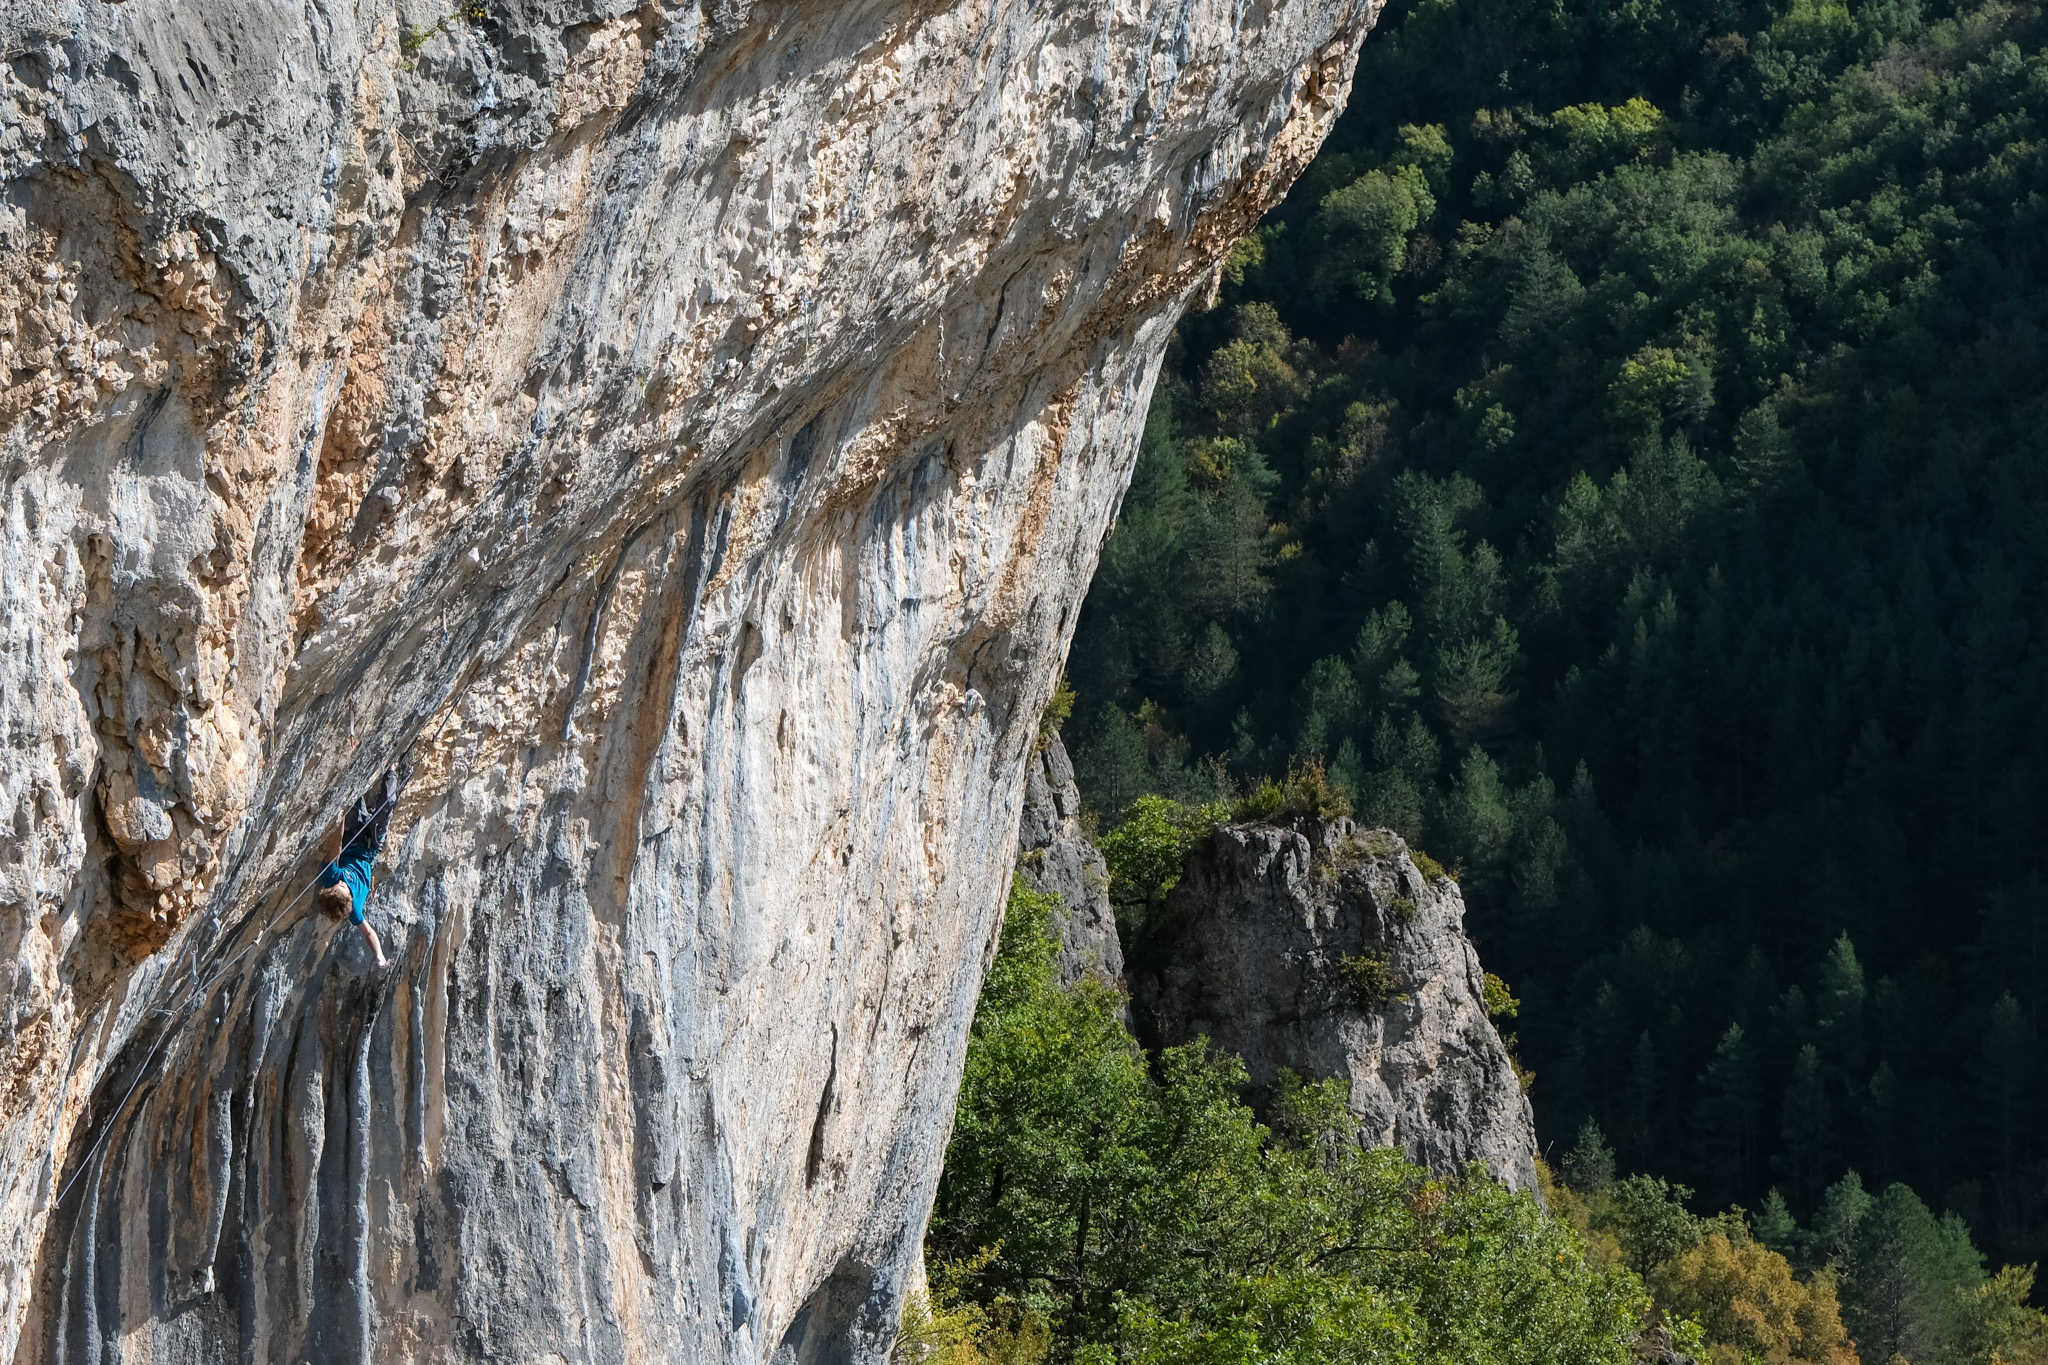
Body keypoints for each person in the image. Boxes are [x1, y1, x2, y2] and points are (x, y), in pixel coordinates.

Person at [317, 767, 405, 967]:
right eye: (342, 887)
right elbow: (369, 933)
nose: (340, 882)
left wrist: (341, 816)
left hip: (354, 834)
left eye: (336, 885)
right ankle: (392, 770)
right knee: (389, 803)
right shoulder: (354, 910)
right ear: (348, 897)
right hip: (372, 845)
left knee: (354, 791)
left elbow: (336, 845)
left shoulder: (330, 878)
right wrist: (379, 955)